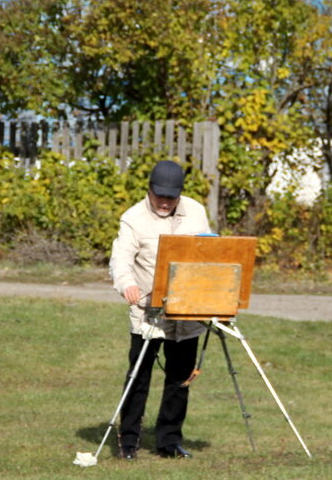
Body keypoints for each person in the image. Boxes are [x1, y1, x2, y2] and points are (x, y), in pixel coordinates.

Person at [108, 159, 211, 460]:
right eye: (160, 195)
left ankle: (169, 441)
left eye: (171, 196)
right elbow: (121, 258)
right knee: (138, 377)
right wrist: (126, 283)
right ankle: (128, 441)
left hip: (186, 310)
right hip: (147, 312)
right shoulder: (133, 218)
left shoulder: (196, 211)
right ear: (150, 190)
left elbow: (206, 251)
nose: (165, 201)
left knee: (180, 378)